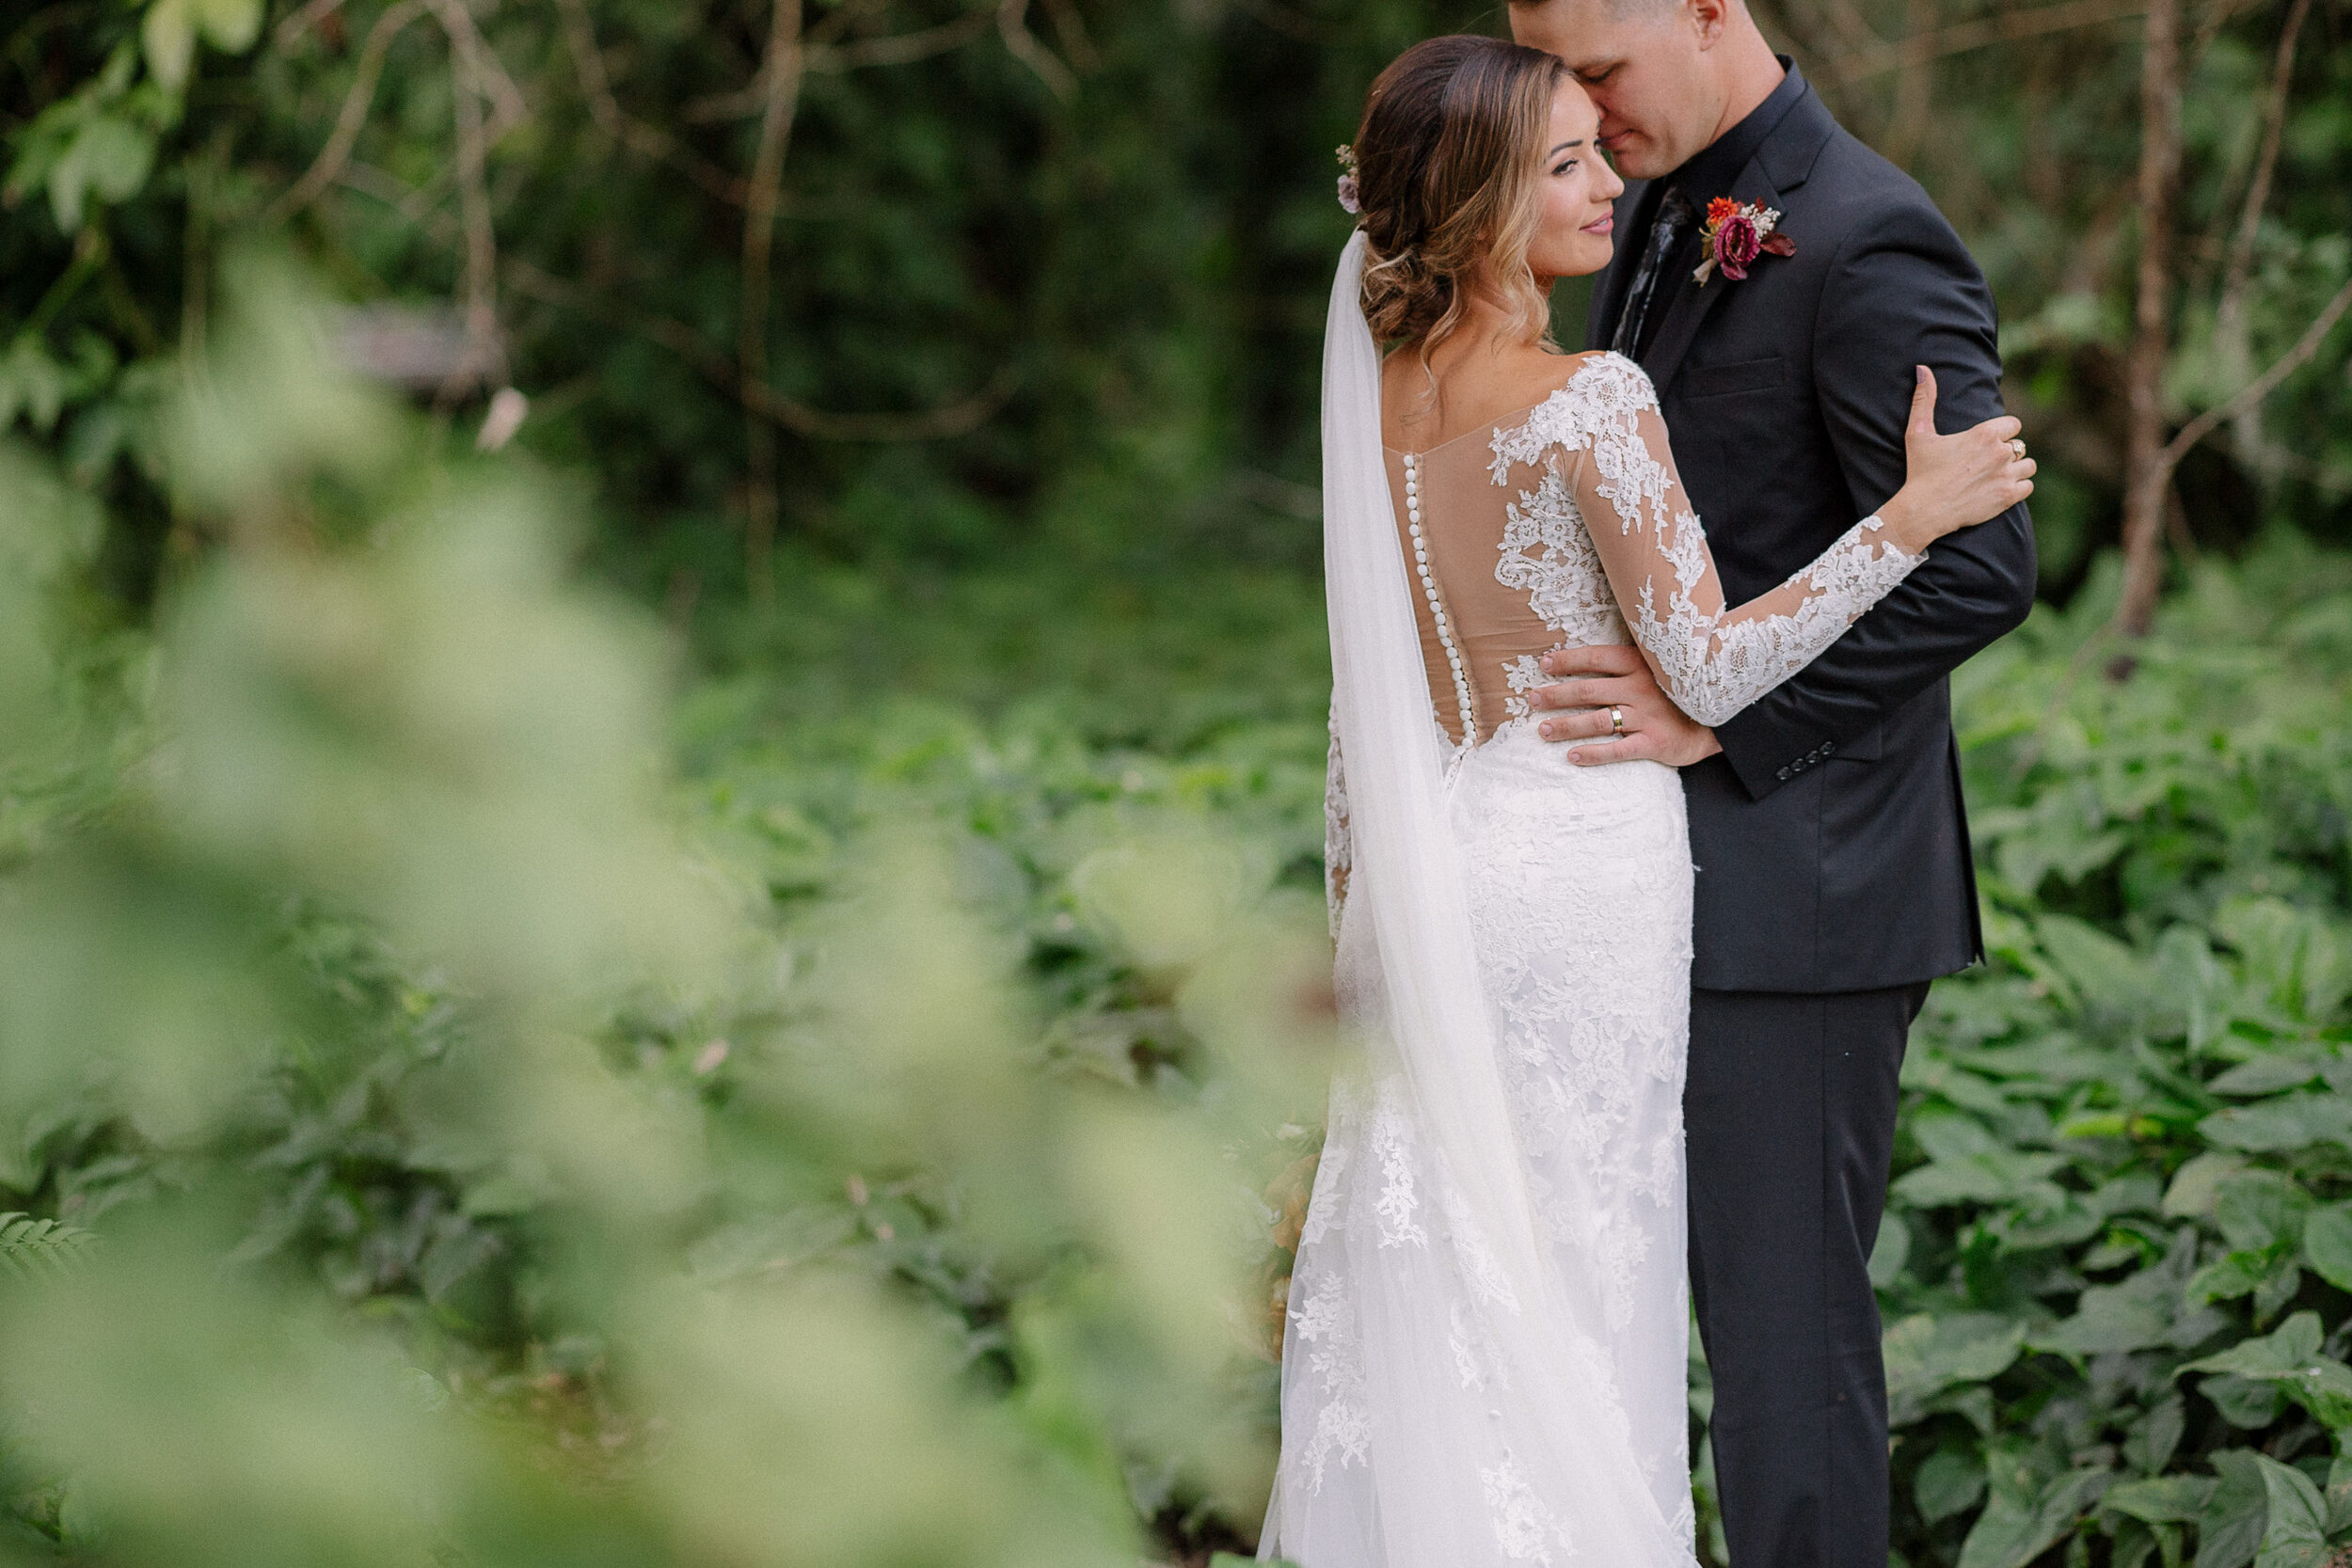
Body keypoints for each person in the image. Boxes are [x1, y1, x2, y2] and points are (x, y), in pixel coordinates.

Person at [1259, 35, 2033, 1568]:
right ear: (1483, 202)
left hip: (1532, 873)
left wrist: (1365, 919)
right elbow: (1695, 652)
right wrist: (1903, 518)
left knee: (1537, 1314)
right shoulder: (1607, 330)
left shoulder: (1856, 232)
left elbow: (1374, 707)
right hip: (1584, 880)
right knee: (1582, 1313)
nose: (1602, 151)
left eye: (1599, 88)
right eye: (1560, 149)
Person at [1498, 0, 2040, 1562]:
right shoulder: (1658, 206)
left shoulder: (1873, 240)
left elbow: (1984, 568)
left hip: (1806, 895)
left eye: (1598, 70)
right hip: (1652, 881)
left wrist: (1722, 724)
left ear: (1709, 9)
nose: (1581, 111)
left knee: (1785, 1361)